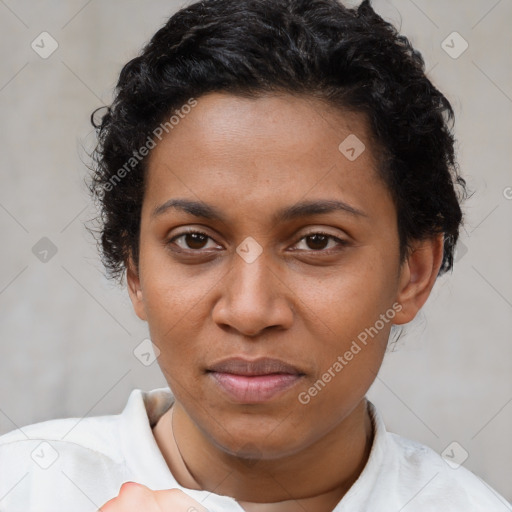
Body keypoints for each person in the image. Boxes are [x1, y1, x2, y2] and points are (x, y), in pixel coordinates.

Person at [0, 0, 510, 511]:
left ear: (412, 273)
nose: (248, 311)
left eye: (317, 241)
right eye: (195, 240)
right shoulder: (24, 486)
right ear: (134, 269)